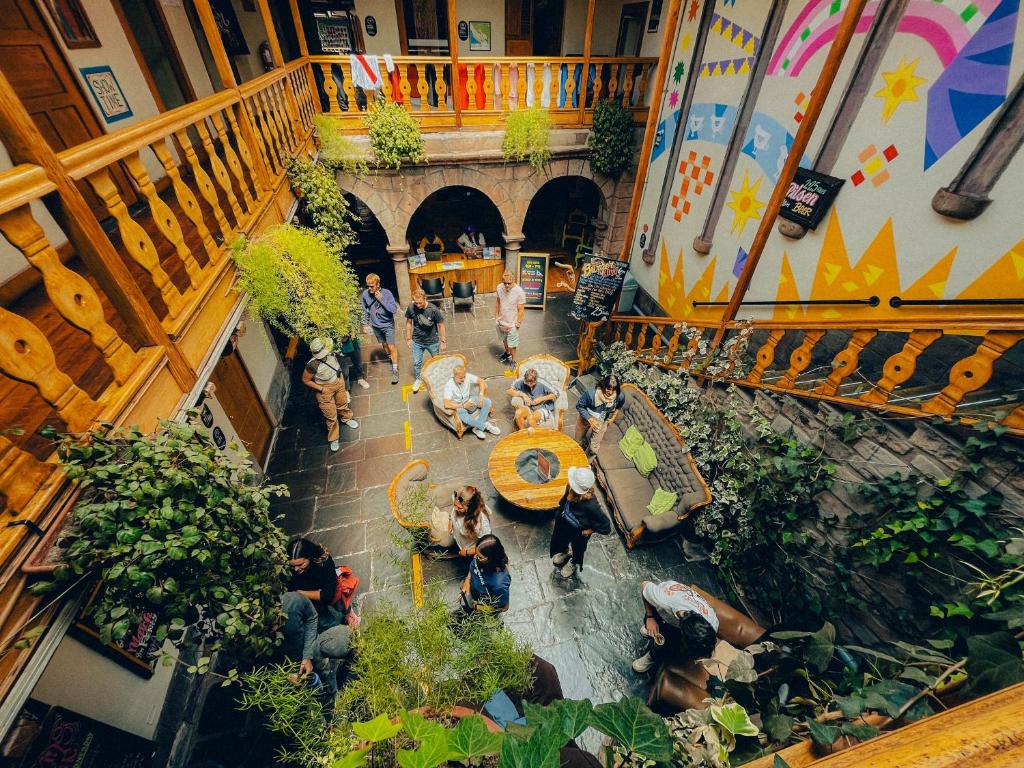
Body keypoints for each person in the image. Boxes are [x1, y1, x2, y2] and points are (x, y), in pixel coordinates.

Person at [281, 591, 353, 723]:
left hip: (311, 654)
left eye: (277, 624)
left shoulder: (292, 602)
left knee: (328, 683)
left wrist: (307, 656)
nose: (275, 629)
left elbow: (312, 616)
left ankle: (333, 707)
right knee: (314, 701)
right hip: (292, 669)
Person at [631, 580, 720, 674]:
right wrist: (650, 617)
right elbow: (644, 584)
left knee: (669, 639)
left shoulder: (712, 624)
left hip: (680, 607)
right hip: (664, 602)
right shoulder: (663, 601)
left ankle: (655, 635)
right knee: (668, 642)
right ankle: (653, 655)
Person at [549, 466, 611, 579]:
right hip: (564, 523)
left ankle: (573, 563)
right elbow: (565, 500)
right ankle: (566, 552)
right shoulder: (570, 487)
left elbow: (606, 526)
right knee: (561, 540)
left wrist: (589, 531)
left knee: (578, 549)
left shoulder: (591, 505)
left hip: (579, 532)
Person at [287, 537, 358, 631]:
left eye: (300, 564)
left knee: (336, 615)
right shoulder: (289, 570)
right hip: (312, 598)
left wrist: (300, 593)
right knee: (325, 622)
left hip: (327, 594)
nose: (296, 569)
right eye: (293, 566)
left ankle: (346, 619)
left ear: (310, 557)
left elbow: (328, 595)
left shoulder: (324, 562)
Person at [302, 338, 359, 452]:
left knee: (342, 403)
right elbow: (306, 380)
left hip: (338, 382)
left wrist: (341, 379)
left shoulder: (332, 353)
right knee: (330, 415)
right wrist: (321, 389)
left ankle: (346, 418)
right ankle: (333, 438)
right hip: (324, 389)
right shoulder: (312, 365)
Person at [405, 288, 447, 393]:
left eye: (420, 302)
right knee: (417, 363)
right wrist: (408, 338)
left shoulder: (433, 310)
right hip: (417, 341)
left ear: (425, 298)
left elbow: (441, 325)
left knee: (436, 361)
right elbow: (409, 322)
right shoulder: (411, 307)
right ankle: (419, 379)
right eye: (416, 302)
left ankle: (438, 379)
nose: (418, 305)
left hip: (432, 341)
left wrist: (443, 341)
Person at [361, 273, 400, 385]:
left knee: (391, 346)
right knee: (384, 345)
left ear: (378, 284)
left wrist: (381, 299)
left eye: (372, 286)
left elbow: (393, 310)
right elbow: (366, 310)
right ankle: (390, 358)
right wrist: (365, 324)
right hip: (375, 325)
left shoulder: (387, 293)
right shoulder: (365, 294)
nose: (369, 288)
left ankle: (395, 369)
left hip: (387, 325)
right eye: (368, 286)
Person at [443, 364, 501, 440]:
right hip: (459, 405)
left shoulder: (467, 376)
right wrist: (463, 406)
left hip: (469, 399)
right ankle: (486, 426)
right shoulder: (449, 385)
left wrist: (480, 397)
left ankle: (477, 429)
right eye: (460, 378)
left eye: (464, 377)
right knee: (466, 418)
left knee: (486, 402)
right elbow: (446, 404)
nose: (463, 379)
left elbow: (481, 381)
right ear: (454, 376)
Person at [430, 485, 492, 555]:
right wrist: (451, 520)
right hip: (460, 541)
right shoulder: (458, 503)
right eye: (454, 505)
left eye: (459, 508)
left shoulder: (481, 522)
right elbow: (454, 510)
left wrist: (467, 552)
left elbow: (485, 545)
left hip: (468, 550)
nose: (456, 508)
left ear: (471, 508)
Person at [574, 374, 625, 454]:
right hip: (586, 417)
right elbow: (579, 406)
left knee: (593, 448)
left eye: (613, 390)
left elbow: (619, 407)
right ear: (603, 385)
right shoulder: (590, 393)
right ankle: (578, 452)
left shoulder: (620, 396)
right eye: (608, 389)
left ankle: (587, 462)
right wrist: (590, 419)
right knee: (577, 442)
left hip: (602, 418)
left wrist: (613, 417)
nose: (610, 393)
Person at [460, 534, 511, 613]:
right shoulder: (480, 558)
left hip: (484, 604)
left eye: (479, 557)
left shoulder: (499, 584)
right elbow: (473, 567)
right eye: (475, 553)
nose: (475, 557)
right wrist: (467, 580)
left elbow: (504, 607)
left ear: (491, 558)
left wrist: (480, 608)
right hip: (474, 592)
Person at [495, 270, 526, 367]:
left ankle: (513, 360)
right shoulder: (499, 288)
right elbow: (498, 302)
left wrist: (518, 322)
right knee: (504, 340)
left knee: (512, 344)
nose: (507, 285)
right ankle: (507, 353)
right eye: (505, 283)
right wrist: (496, 316)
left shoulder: (519, 292)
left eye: (509, 283)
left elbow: (521, 309)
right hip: (501, 321)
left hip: (512, 323)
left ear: (514, 280)